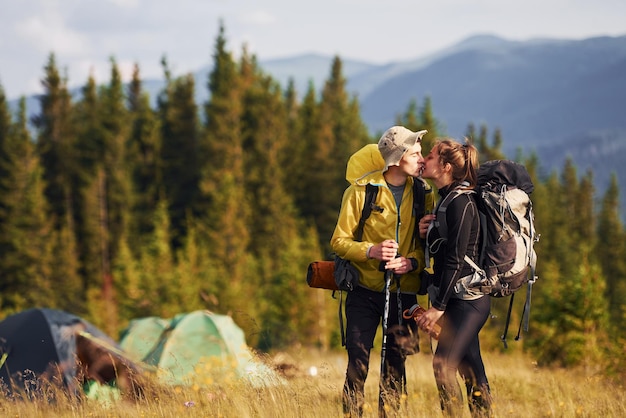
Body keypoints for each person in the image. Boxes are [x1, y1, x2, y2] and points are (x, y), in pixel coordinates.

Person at [330, 126, 435, 417]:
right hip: (362, 291)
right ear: (398, 158)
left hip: (404, 294)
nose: (422, 158)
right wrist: (370, 251)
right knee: (358, 365)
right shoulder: (360, 191)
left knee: (396, 368)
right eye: (415, 153)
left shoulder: (423, 192)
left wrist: (411, 262)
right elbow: (338, 241)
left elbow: (422, 245)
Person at [415, 138, 493, 417]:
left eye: (431, 156)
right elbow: (448, 247)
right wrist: (430, 230)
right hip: (459, 299)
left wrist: (438, 308)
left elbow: (455, 259)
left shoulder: (461, 202)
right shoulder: (447, 199)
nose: (424, 159)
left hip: (468, 301)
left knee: (442, 365)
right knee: (471, 370)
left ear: (446, 166)